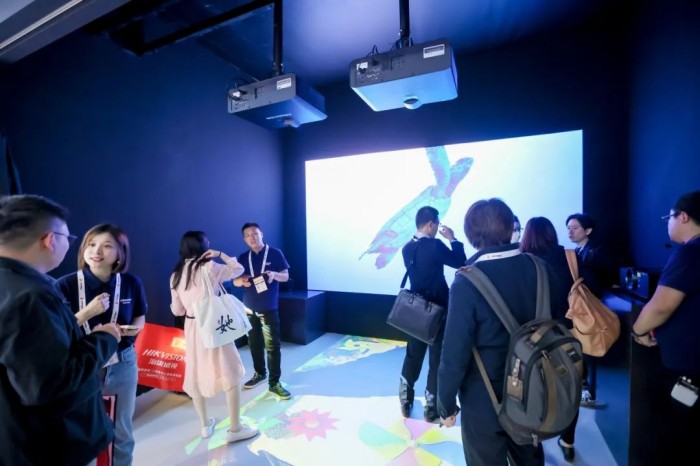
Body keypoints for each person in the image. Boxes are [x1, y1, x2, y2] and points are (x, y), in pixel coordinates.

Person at [0, 194, 121, 466]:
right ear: (50, 239)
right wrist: (104, 338)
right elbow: (51, 382)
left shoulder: (16, 286)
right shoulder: (31, 296)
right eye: (73, 238)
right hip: (54, 444)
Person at [438, 198, 560, 466]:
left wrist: (445, 403)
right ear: (509, 228)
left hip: (484, 395)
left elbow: (454, 351)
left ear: (471, 235)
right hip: (534, 387)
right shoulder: (541, 267)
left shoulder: (466, 281)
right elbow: (558, 324)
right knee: (529, 456)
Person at [58, 223, 148, 466]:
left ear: (120, 253)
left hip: (122, 361)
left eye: (107, 245)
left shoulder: (131, 282)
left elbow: (139, 314)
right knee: (83, 432)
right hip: (83, 364)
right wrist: (88, 312)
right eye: (91, 244)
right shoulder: (65, 285)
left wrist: (131, 332)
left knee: (122, 431)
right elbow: (58, 330)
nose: (97, 251)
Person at [170, 231, 259, 443]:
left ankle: (204, 425)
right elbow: (238, 269)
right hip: (214, 324)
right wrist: (219, 254)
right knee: (230, 371)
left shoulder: (175, 275)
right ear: (202, 246)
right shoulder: (210, 267)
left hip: (193, 328)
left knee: (195, 373)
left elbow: (177, 310)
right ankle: (235, 428)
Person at [631, 190, 700, 464]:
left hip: (687, 367)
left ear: (683, 216)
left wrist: (637, 331)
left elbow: (660, 306)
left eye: (668, 217)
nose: (667, 223)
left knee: (675, 433)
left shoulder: (690, 252)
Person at [520, 216, 584, 462]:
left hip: (532, 337)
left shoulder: (523, 261)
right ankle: (568, 441)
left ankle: (535, 439)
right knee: (570, 387)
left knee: (535, 388)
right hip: (566, 333)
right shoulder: (570, 256)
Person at [398, 206, 466, 422]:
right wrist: (453, 239)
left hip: (415, 310)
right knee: (436, 357)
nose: (438, 229)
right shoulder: (435, 245)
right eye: (437, 224)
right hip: (437, 310)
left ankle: (405, 399)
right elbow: (460, 262)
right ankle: (431, 406)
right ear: (431, 224)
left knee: (413, 354)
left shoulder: (407, 248)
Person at [233, 222, 291, 399]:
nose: (252, 237)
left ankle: (274, 383)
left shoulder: (275, 253)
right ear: (244, 239)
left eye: (255, 234)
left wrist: (274, 275)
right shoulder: (243, 257)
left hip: (268, 308)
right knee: (254, 344)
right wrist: (240, 281)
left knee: (273, 347)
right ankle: (260, 373)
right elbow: (234, 281)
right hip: (249, 309)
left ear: (261, 234)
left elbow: (286, 276)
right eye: (247, 235)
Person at [566, 213, 615, 408]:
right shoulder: (577, 251)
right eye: (568, 228)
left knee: (590, 345)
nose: (570, 231)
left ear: (588, 230)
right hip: (584, 304)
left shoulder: (597, 251)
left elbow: (604, 280)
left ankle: (589, 389)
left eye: (575, 227)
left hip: (594, 305)